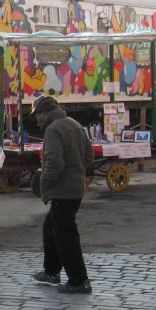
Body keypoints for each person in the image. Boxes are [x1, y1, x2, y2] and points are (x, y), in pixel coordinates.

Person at [29, 95, 95, 294]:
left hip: (62, 191)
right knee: (51, 228)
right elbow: (89, 156)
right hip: (75, 189)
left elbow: (54, 163)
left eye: (37, 115)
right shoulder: (75, 125)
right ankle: (51, 271)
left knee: (66, 237)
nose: (36, 119)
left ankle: (78, 280)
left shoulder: (53, 130)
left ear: (46, 112)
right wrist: (77, 172)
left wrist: (44, 181)